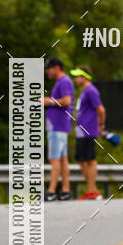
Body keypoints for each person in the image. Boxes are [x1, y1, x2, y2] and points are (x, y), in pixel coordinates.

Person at [70, 65, 106, 201]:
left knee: (90, 159)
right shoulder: (84, 91)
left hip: (89, 130)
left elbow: (101, 110)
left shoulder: (91, 90)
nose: (75, 79)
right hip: (81, 131)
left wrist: (101, 126)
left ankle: (92, 191)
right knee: (80, 159)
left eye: (77, 76)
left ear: (84, 77)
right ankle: (92, 190)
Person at [43, 57, 74, 201]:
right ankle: (66, 190)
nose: (47, 71)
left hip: (57, 126)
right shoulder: (62, 82)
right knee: (62, 159)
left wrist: (48, 101)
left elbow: (67, 101)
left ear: (56, 67)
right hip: (61, 126)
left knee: (54, 158)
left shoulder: (64, 81)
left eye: (48, 68)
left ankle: (51, 192)